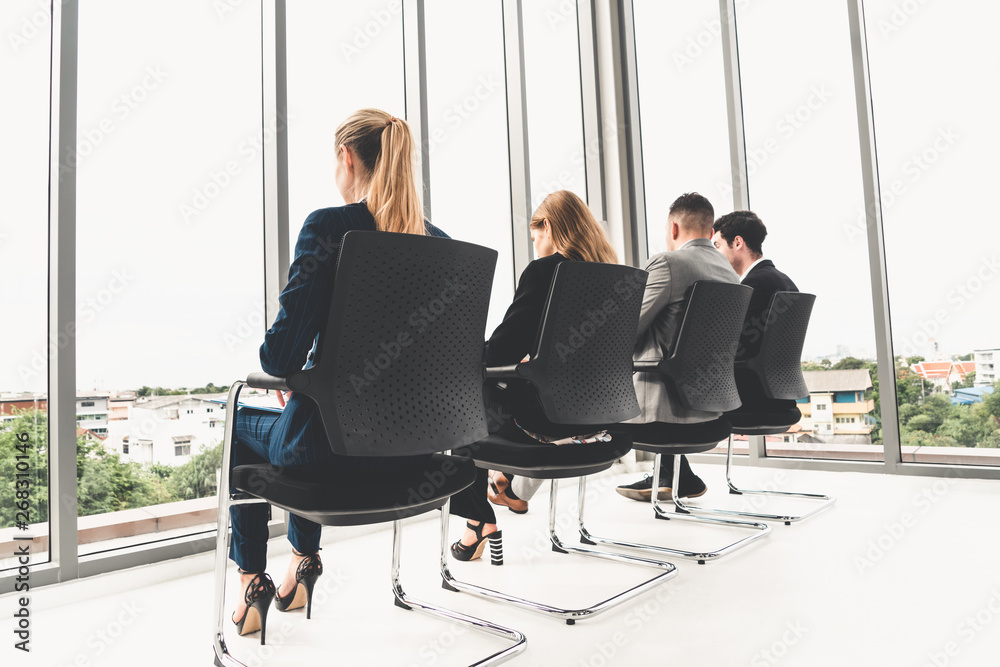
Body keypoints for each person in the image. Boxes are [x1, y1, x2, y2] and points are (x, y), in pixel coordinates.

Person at [228, 108, 449, 642]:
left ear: (347, 158)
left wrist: (304, 377)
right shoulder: (440, 243)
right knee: (307, 413)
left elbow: (279, 359)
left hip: (324, 450)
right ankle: (303, 564)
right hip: (416, 455)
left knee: (234, 411)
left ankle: (251, 579)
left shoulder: (329, 227)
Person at [448, 190, 618, 559]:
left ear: (551, 228)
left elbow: (503, 350)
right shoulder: (615, 280)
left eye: (536, 235)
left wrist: (468, 352)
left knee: (459, 411)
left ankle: (478, 522)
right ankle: (485, 510)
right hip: (601, 420)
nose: (536, 244)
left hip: (545, 422)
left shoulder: (544, 272)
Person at [615, 193, 740, 502]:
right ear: (711, 234)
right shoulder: (730, 274)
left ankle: (513, 484)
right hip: (711, 414)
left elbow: (623, 334)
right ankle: (677, 475)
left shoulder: (668, 263)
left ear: (673, 228)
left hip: (660, 415)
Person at [712, 210, 799, 412]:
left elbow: (734, 345)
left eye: (717, 246)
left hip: (751, 399)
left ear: (737, 243)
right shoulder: (784, 281)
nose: (715, 254)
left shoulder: (754, 285)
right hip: (781, 398)